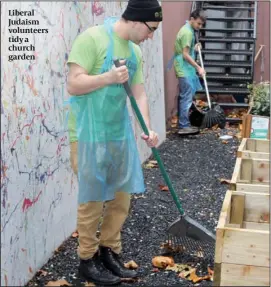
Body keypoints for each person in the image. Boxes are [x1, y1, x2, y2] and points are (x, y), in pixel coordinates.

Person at [66, 0, 162, 285]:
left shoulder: (134, 52)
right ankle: (87, 260)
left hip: (118, 133)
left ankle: (109, 251)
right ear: (135, 20)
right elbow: (73, 83)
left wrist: (147, 127)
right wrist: (108, 77)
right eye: (151, 28)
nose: (151, 36)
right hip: (87, 133)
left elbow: (139, 93)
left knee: (122, 196)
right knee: (93, 198)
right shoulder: (91, 38)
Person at [173, 9, 206, 135]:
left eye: (201, 24)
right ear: (192, 19)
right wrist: (198, 67)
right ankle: (183, 126)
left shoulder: (188, 29)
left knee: (185, 96)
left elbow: (186, 49)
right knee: (186, 97)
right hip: (184, 68)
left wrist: (195, 47)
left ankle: (183, 123)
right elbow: (185, 55)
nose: (200, 26)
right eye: (198, 23)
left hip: (185, 68)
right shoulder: (187, 32)